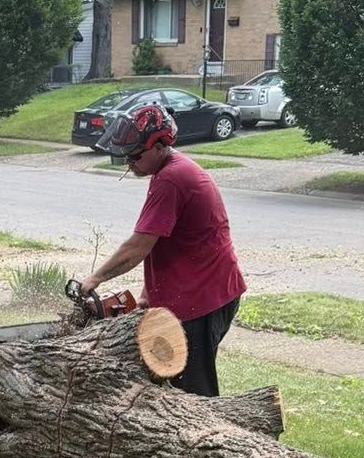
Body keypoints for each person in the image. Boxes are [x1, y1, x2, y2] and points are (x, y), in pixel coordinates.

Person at [79, 99, 245, 396]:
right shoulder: (168, 171)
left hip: (203, 298)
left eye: (135, 157)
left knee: (193, 392)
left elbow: (139, 245)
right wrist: (148, 295)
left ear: (159, 146)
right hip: (201, 291)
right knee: (171, 385)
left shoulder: (172, 178)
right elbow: (163, 241)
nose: (130, 164)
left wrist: (95, 278)